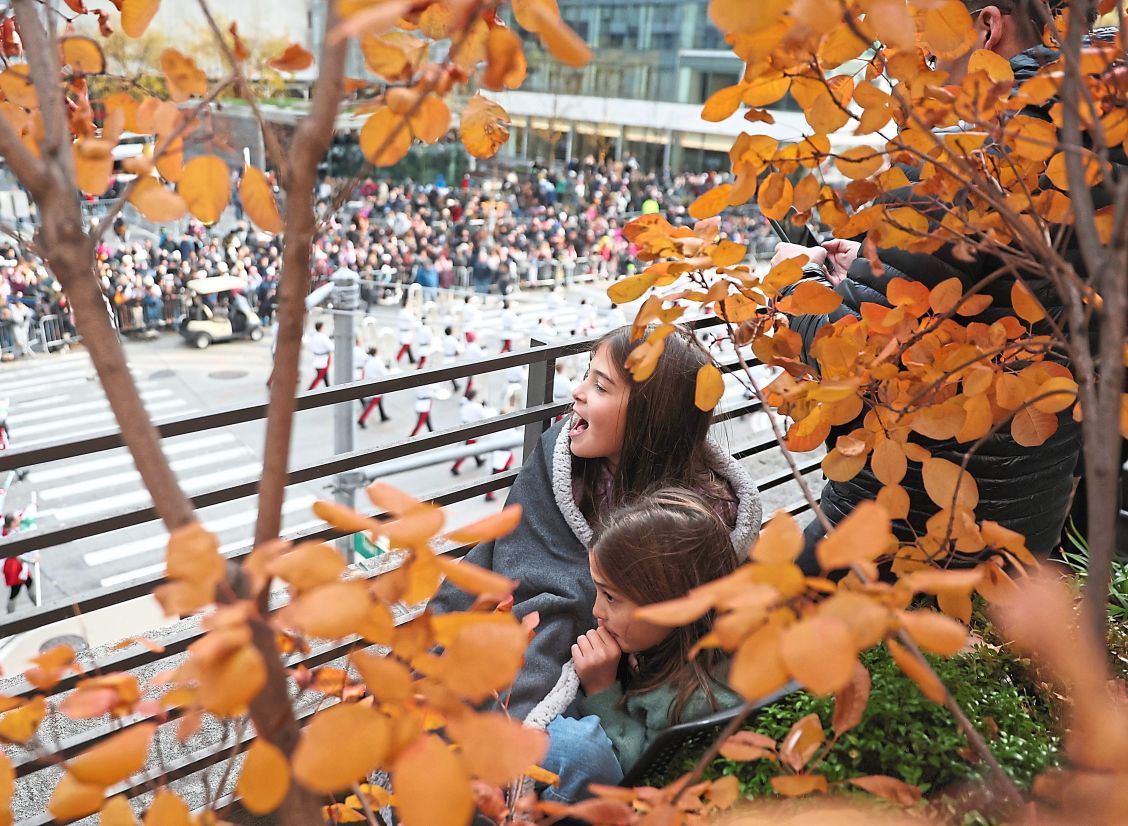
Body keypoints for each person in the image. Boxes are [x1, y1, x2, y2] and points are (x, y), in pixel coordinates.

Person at [772, 0, 1110, 571]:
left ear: (985, 28)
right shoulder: (1094, 146)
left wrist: (794, 281)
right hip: (1031, 514)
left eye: (926, 48)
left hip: (913, 528)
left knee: (747, 622)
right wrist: (867, 268)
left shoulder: (957, 161)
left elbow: (865, 369)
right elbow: (995, 295)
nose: (916, 70)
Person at [429, 327, 763, 718]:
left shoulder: (696, 527)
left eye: (601, 387)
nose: (577, 390)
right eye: (587, 373)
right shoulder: (560, 459)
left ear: (650, 417)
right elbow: (511, 548)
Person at [530, 487, 741, 801]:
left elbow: (643, 777)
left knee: (575, 745)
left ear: (672, 607)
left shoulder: (696, 699)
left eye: (611, 597)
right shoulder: (671, 642)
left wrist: (602, 691)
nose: (596, 611)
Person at [450, 390, 488, 475]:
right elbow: (485, 415)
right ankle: (455, 467)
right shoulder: (476, 406)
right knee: (468, 450)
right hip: (472, 430)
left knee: (471, 447)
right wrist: (484, 406)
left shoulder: (464, 403)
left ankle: (478, 461)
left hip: (465, 427)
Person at [358, 347, 391, 428]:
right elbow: (385, 374)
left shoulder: (368, 361)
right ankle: (361, 419)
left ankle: (383, 416)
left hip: (370, 383)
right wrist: (388, 368)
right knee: (373, 403)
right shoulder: (377, 362)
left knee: (379, 401)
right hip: (376, 385)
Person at [308, 321, 333, 391]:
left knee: (325, 377)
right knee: (319, 377)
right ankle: (308, 392)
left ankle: (329, 390)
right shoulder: (323, 337)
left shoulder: (313, 336)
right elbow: (331, 347)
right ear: (321, 327)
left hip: (316, 359)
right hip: (323, 359)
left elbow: (311, 347)